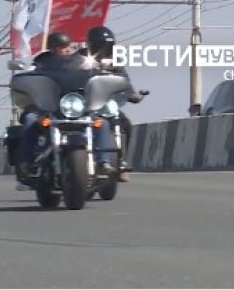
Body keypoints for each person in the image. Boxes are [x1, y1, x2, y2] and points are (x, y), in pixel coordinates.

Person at [15, 31, 118, 182]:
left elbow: (94, 74)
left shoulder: (81, 62)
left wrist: (103, 71)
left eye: (68, 46)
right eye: (62, 47)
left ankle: (104, 162)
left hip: (76, 106)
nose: (67, 49)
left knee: (102, 123)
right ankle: (27, 163)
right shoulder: (41, 63)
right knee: (31, 120)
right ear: (53, 49)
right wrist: (25, 76)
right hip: (48, 107)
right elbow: (32, 79)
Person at [76, 26, 145, 182]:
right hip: (84, 105)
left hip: (105, 104)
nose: (104, 49)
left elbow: (124, 80)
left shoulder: (115, 60)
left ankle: (121, 160)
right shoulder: (79, 58)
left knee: (125, 123)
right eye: (100, 45)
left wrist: (132, 94)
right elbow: (69, 77)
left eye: (107, 45)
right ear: (92, 44)